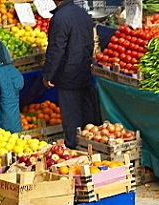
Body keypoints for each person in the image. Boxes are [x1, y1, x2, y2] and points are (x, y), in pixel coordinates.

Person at [43, 0, 98, 149]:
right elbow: (90, 42)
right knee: (87, 113)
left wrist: (48, 74)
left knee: (71, 116)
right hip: (84, 70)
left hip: (68, 74)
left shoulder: (60, 18)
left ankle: (74, 149)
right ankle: (91, 147)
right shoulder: (83, 14)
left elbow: (56, 49)